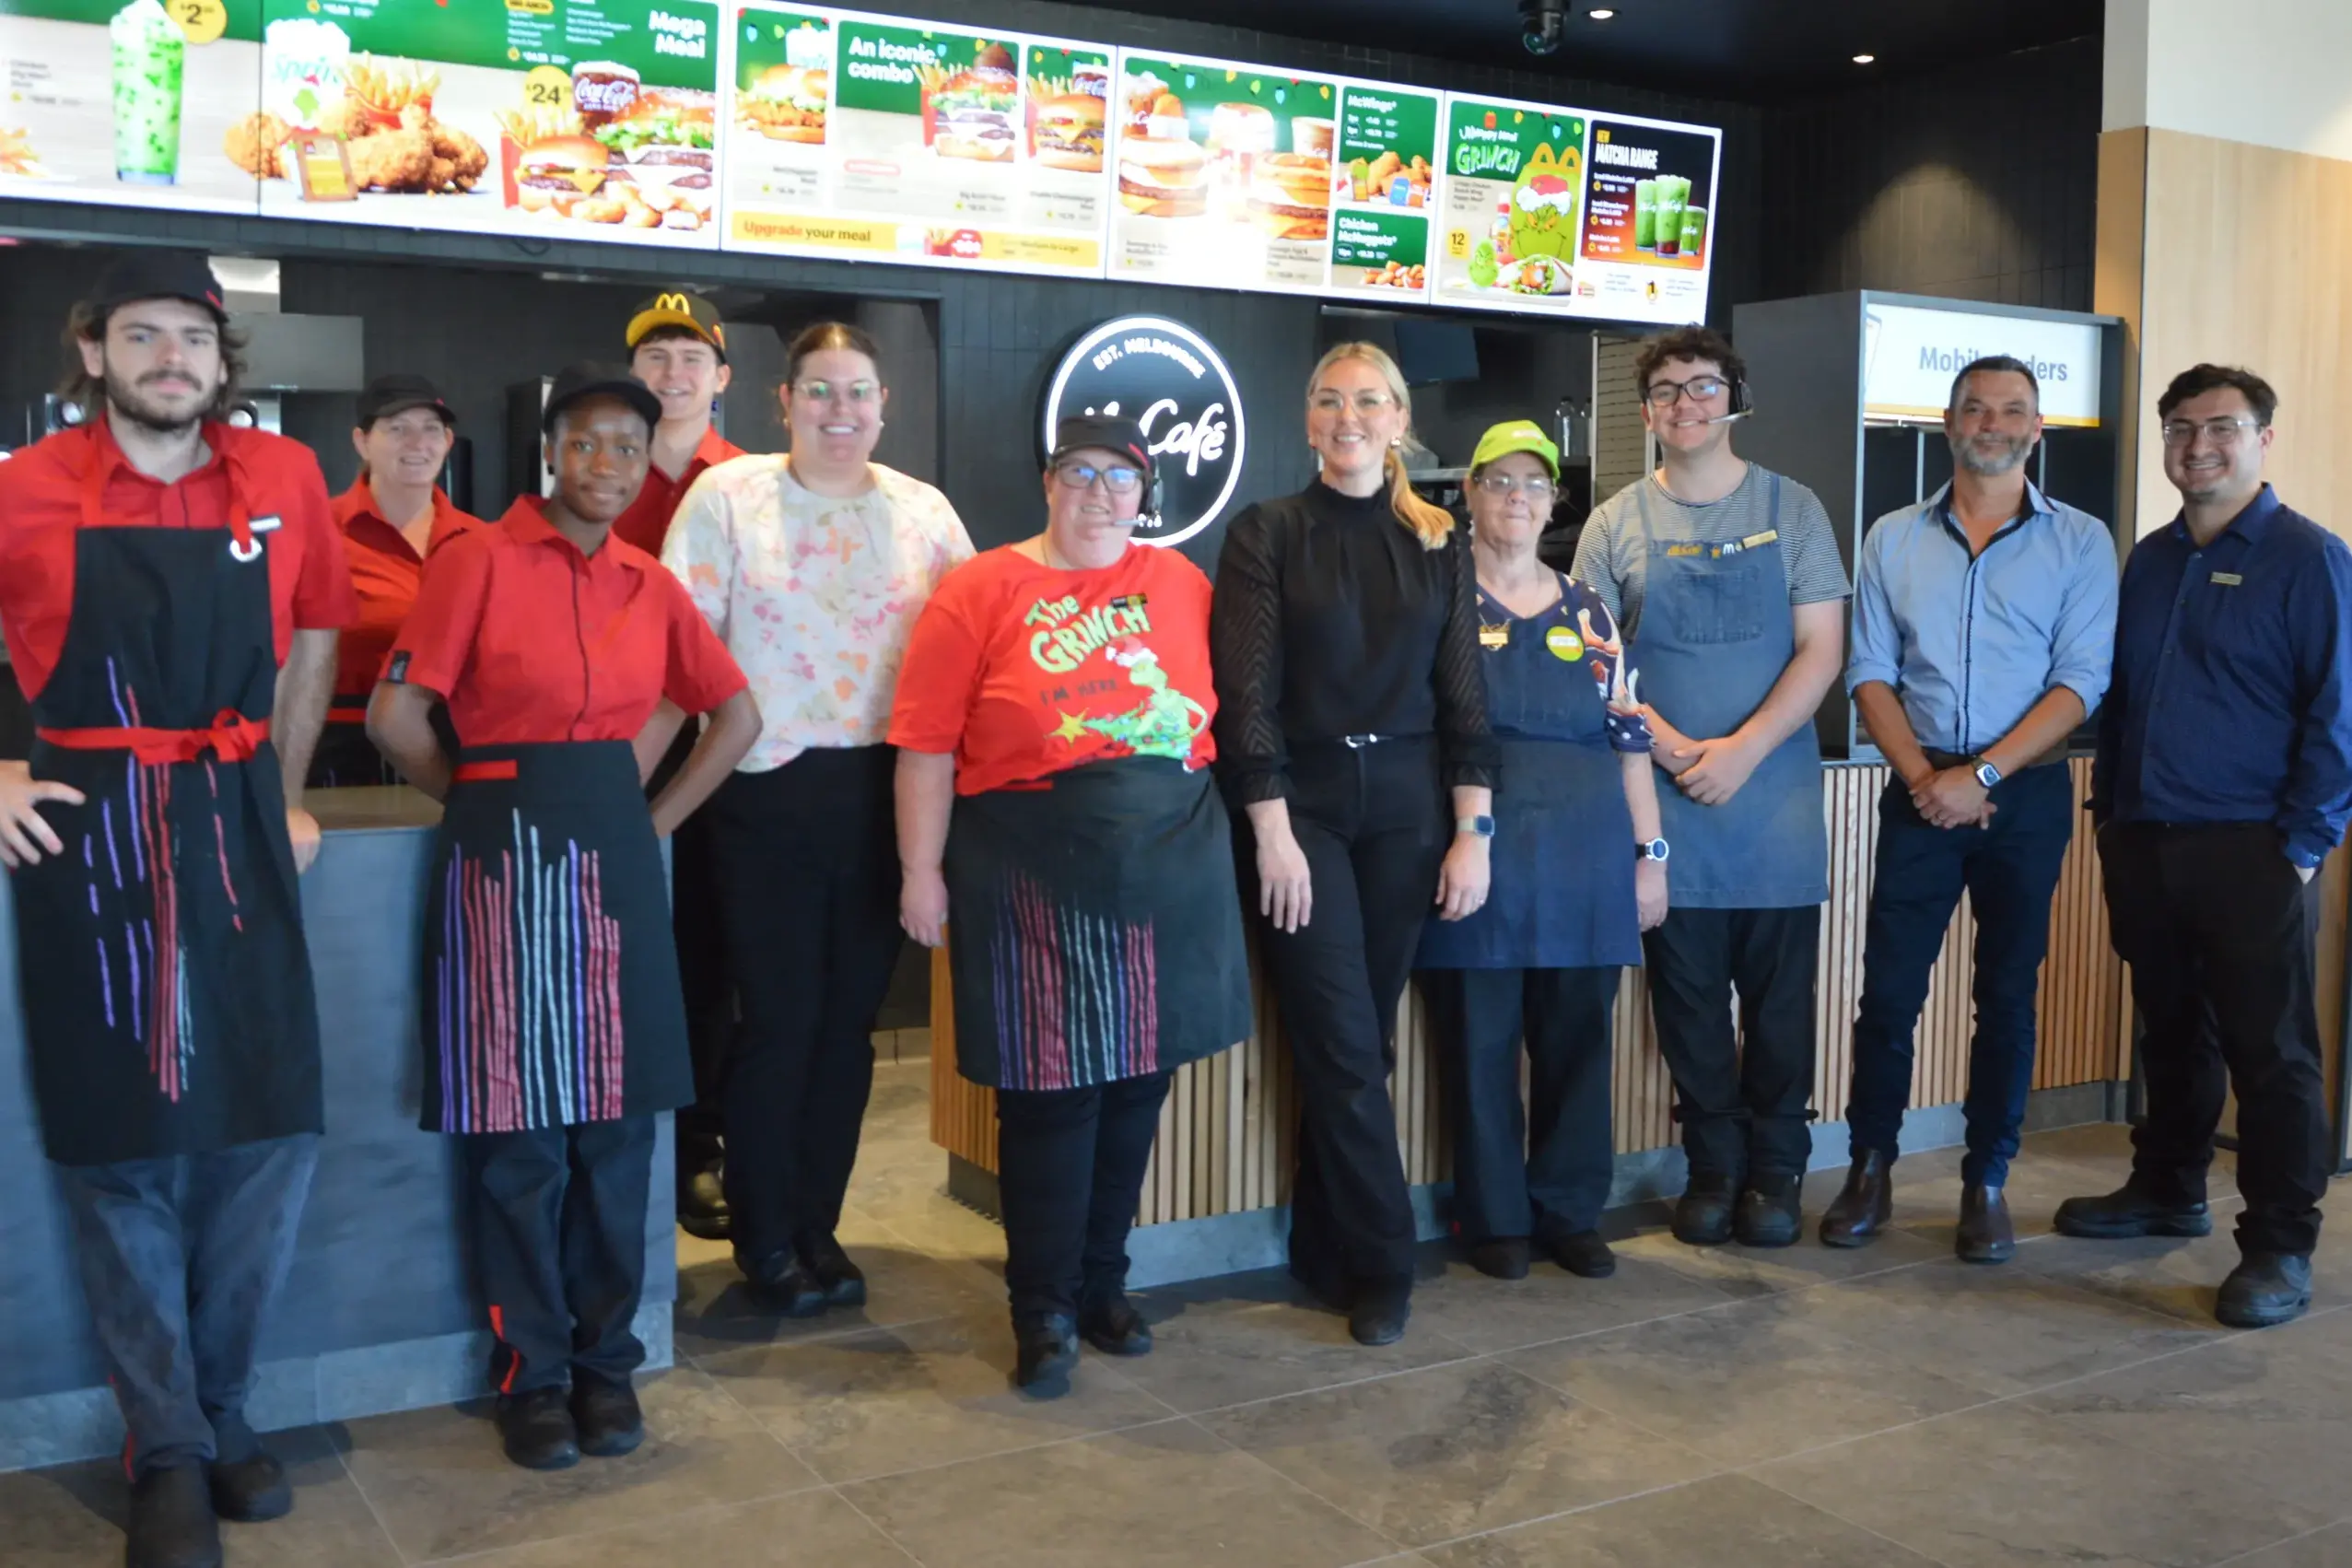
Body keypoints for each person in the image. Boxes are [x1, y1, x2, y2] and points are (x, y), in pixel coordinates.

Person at [0, 251, 352, 1568]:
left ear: (221, 356)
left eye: (190, 337)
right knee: (122, 1146)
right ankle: (169, 1443)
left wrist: (291, 786)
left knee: (270, 1129)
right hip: (87, 832)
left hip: (235, 817)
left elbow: (317, 628)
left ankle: (224, 1403)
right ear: (92, 351)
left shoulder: (286, 478)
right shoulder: (22, 488)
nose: (170, 359)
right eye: (139, 335)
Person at [367, 363, 759, 1470]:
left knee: (621, 1129)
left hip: (617, 857)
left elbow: (733, 712)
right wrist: (484, 796)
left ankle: (607, 1361)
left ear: (645, 464)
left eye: (628, 450)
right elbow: (399, 714)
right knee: (521, 1134)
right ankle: (530, 1375)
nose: (606, 466)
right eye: (586, 444)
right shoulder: (476, 560)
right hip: (501, 854)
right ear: (553, 451)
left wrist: (657, 821)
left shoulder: (649, 579)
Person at [890, 415, 1247, 1397]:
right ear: (1048, 482)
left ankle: (1102, 1283)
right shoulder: (978, 589)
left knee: (1139, 1083)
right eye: (1079, 474)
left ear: (1145, 493)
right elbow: (924, 743)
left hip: (1168, 856)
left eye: (1120, 478)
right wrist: (921, 871)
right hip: (1030, 859)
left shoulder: (1183, 583)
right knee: (1051, 1091)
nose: (1100, 494)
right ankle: (1041, 1306)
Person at [661, 322, 973, 1316]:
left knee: (847, 1030)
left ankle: (818, 1228)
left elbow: (978, 638)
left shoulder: (923, 512)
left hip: (888, 791)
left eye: (860, 392)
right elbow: (679, 647)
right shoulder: (729, 497)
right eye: (821, 391)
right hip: (761, 788)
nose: (842, 411)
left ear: (885, 405)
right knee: (780, 1021)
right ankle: (763, 1237)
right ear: (782, 401)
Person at [1211, 342, 1496, 1346]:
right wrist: (1273, 836)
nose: (1348, 417)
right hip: (1310, 809)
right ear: (1306, 418)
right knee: (1338, 1040)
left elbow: (1465, 700)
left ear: (1400, 416)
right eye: (1329, 399)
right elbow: (1245, 702)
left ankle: (1323, 1245)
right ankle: (1386, 1262)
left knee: (1359, 1040)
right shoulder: (1267, 532)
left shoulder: (1438, 539)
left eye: (1368, 401)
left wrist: (1474, 833)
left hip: (1412, 812)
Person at [2059, 364, 2352, 1328]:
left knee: (2272, 1052)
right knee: (2171, 1029)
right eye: (2180, 429)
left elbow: (2339, 713)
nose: (2198, 447)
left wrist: (2303, 845)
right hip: (2143, 835)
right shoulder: (2148, 560)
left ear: (2264, 437)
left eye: (2220, 427)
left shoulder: (2311, 559)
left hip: (2253, 847)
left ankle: (2278, 1243)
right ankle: (2167, 1186)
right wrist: (2108, 817)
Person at [1823, 357, 2117, 1262]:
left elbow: (2080, 684)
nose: (1992, 423)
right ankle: (1868, 1167)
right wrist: (1926, 779)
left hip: (2023, 795)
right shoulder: (1892, 537)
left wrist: (1980, 778)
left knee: (2007, 996)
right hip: (1919, 788)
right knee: (1888, 996)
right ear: (1946, 421)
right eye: (1976, 408)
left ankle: (1986, 1180)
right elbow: (1868, 670)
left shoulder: (2082, 542)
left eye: (2013, 411)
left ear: (2038, 429)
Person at [1572, 325, 1848, 1249]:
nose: (1685, 404)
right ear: (1646, 410)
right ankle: (1714, 1168)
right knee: (1686, 1002)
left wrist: (1740, 749)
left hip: (1773, 806)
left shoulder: (1795, 508)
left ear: (1734, 394)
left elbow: (1823, 648)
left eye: (1702, 386)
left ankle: (1776, 1174)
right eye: (1666, 391)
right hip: (1663, 808)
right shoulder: (1614, 523)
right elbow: (1595, 666)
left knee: (1778, 1007)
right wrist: (1677, 744)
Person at [1416, 420, 1668, 1283]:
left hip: (1584, 858)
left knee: (1574, 1045)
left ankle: (1568, 1212)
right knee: (1480, 1046)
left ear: (1552, 500)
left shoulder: (1588, 608)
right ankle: (1493, 1221)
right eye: (1499, 482)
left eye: (1533, 484)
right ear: (1469, 495)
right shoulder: (1438, 599)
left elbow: (1628, 739)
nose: (1516, 499)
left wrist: (1650, 853)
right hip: (1475, 853)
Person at [615, 289, 746, 1239]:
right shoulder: (598, 471)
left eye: (690, 358)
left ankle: (700, 1146)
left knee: (708, 951)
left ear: (722, 377)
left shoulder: (751, 482)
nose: (673, 375)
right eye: (656, 359)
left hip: (713, 747)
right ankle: (620, 1135)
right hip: (606, 745)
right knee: (617, 947)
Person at [310, 373, 486, 789]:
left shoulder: (482, 541)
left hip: (457, 744)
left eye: (430, 429)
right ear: (362, 441)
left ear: (447, 441)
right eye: (397, 429)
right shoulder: (318, 533)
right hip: (343, 752)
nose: (417, 443)